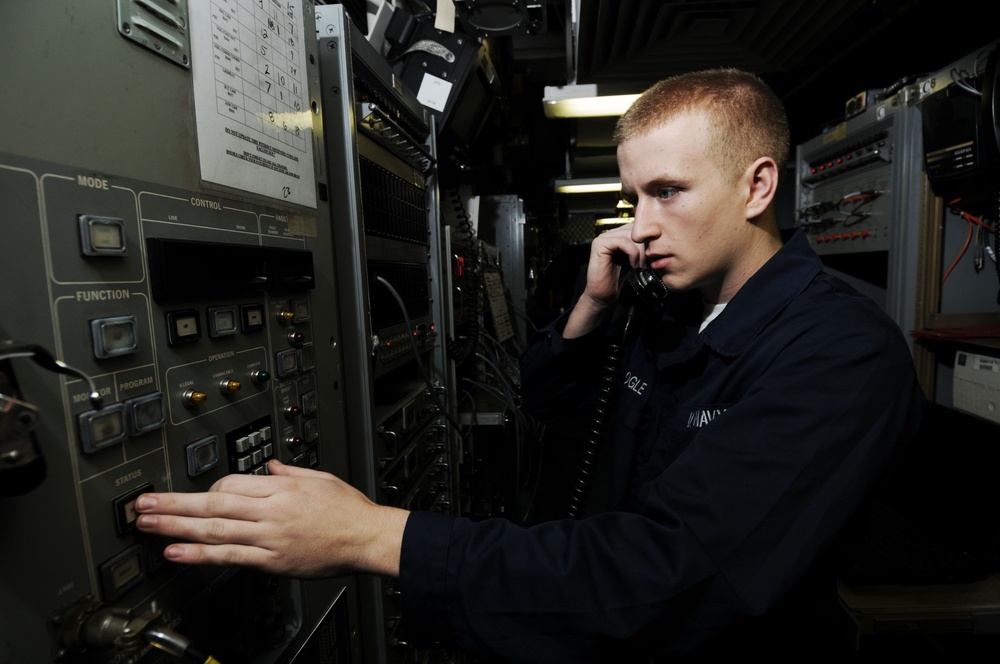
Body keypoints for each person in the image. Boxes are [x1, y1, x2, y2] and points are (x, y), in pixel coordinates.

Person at [135, 68, 926, 662]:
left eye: (668, 192)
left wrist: (374, 537)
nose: (641, 226)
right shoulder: (665, 305)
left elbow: (664, 577)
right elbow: (546, 397)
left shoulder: (840, 355)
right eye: (632, 197)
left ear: (758, 186)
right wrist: (591, 309)